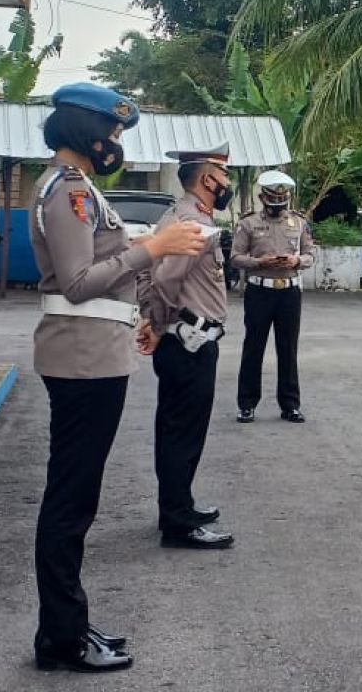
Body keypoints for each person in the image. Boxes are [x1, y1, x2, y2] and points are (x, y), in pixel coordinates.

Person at [31, 83, 206, 672]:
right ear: (84, 130)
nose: (115, 143)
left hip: (95, 355)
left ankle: (68, 624)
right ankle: (61, 637)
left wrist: (138, 304)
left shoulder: (77, 190)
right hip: (81, 362)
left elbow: (97, 275)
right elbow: (79, 281)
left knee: (77, 496)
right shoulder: (67, 192)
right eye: (111, 132)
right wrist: (153, 246)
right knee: (70, 501)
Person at [139, 142, 237, 550]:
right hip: (189, 342)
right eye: (224, 175)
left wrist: (155, 321)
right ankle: (178, 524)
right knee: (182, 433)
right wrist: (159, 325)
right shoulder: (192, 223)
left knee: (176, 430)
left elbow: (151, 273)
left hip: (186, 340)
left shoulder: (182, 216)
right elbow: (164, 281)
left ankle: (177, 507)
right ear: (207, 179)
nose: (228, 183)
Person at [230, 170, 315, 424]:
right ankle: (246, 404)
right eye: (272, 198)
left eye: (282, 198)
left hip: (289, 291)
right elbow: (234, 257)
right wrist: (258, 262)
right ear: (262, 197)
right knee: (253, 348)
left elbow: (311, 254)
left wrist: (296, 260)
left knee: (288, 348)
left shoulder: (299, 223)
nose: (278, 202)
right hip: (259, 290)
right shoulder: (248, 223)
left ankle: (290, 405)